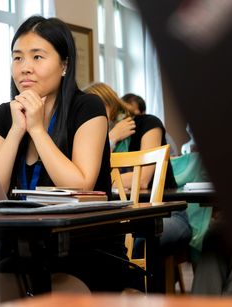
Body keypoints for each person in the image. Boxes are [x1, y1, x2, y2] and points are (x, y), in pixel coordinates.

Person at [0, 16, 132, 298]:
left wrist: (38, 130)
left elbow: (82, 184)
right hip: (21, 247)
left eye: (37, 56)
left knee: (54, 294)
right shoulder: (5, 115)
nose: (24, 68)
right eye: (17, 58)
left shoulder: (87, 107)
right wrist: (18, 130)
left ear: (64, 65)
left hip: (85, 246)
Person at [84, 82, 191, 290]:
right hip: (121, 216)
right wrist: (111, 138)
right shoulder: (99, 137)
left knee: (137, 240)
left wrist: (103, 178)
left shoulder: (148, 123)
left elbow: (142, 179)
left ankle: (139, 297)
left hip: (166, 215)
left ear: (109, 104)